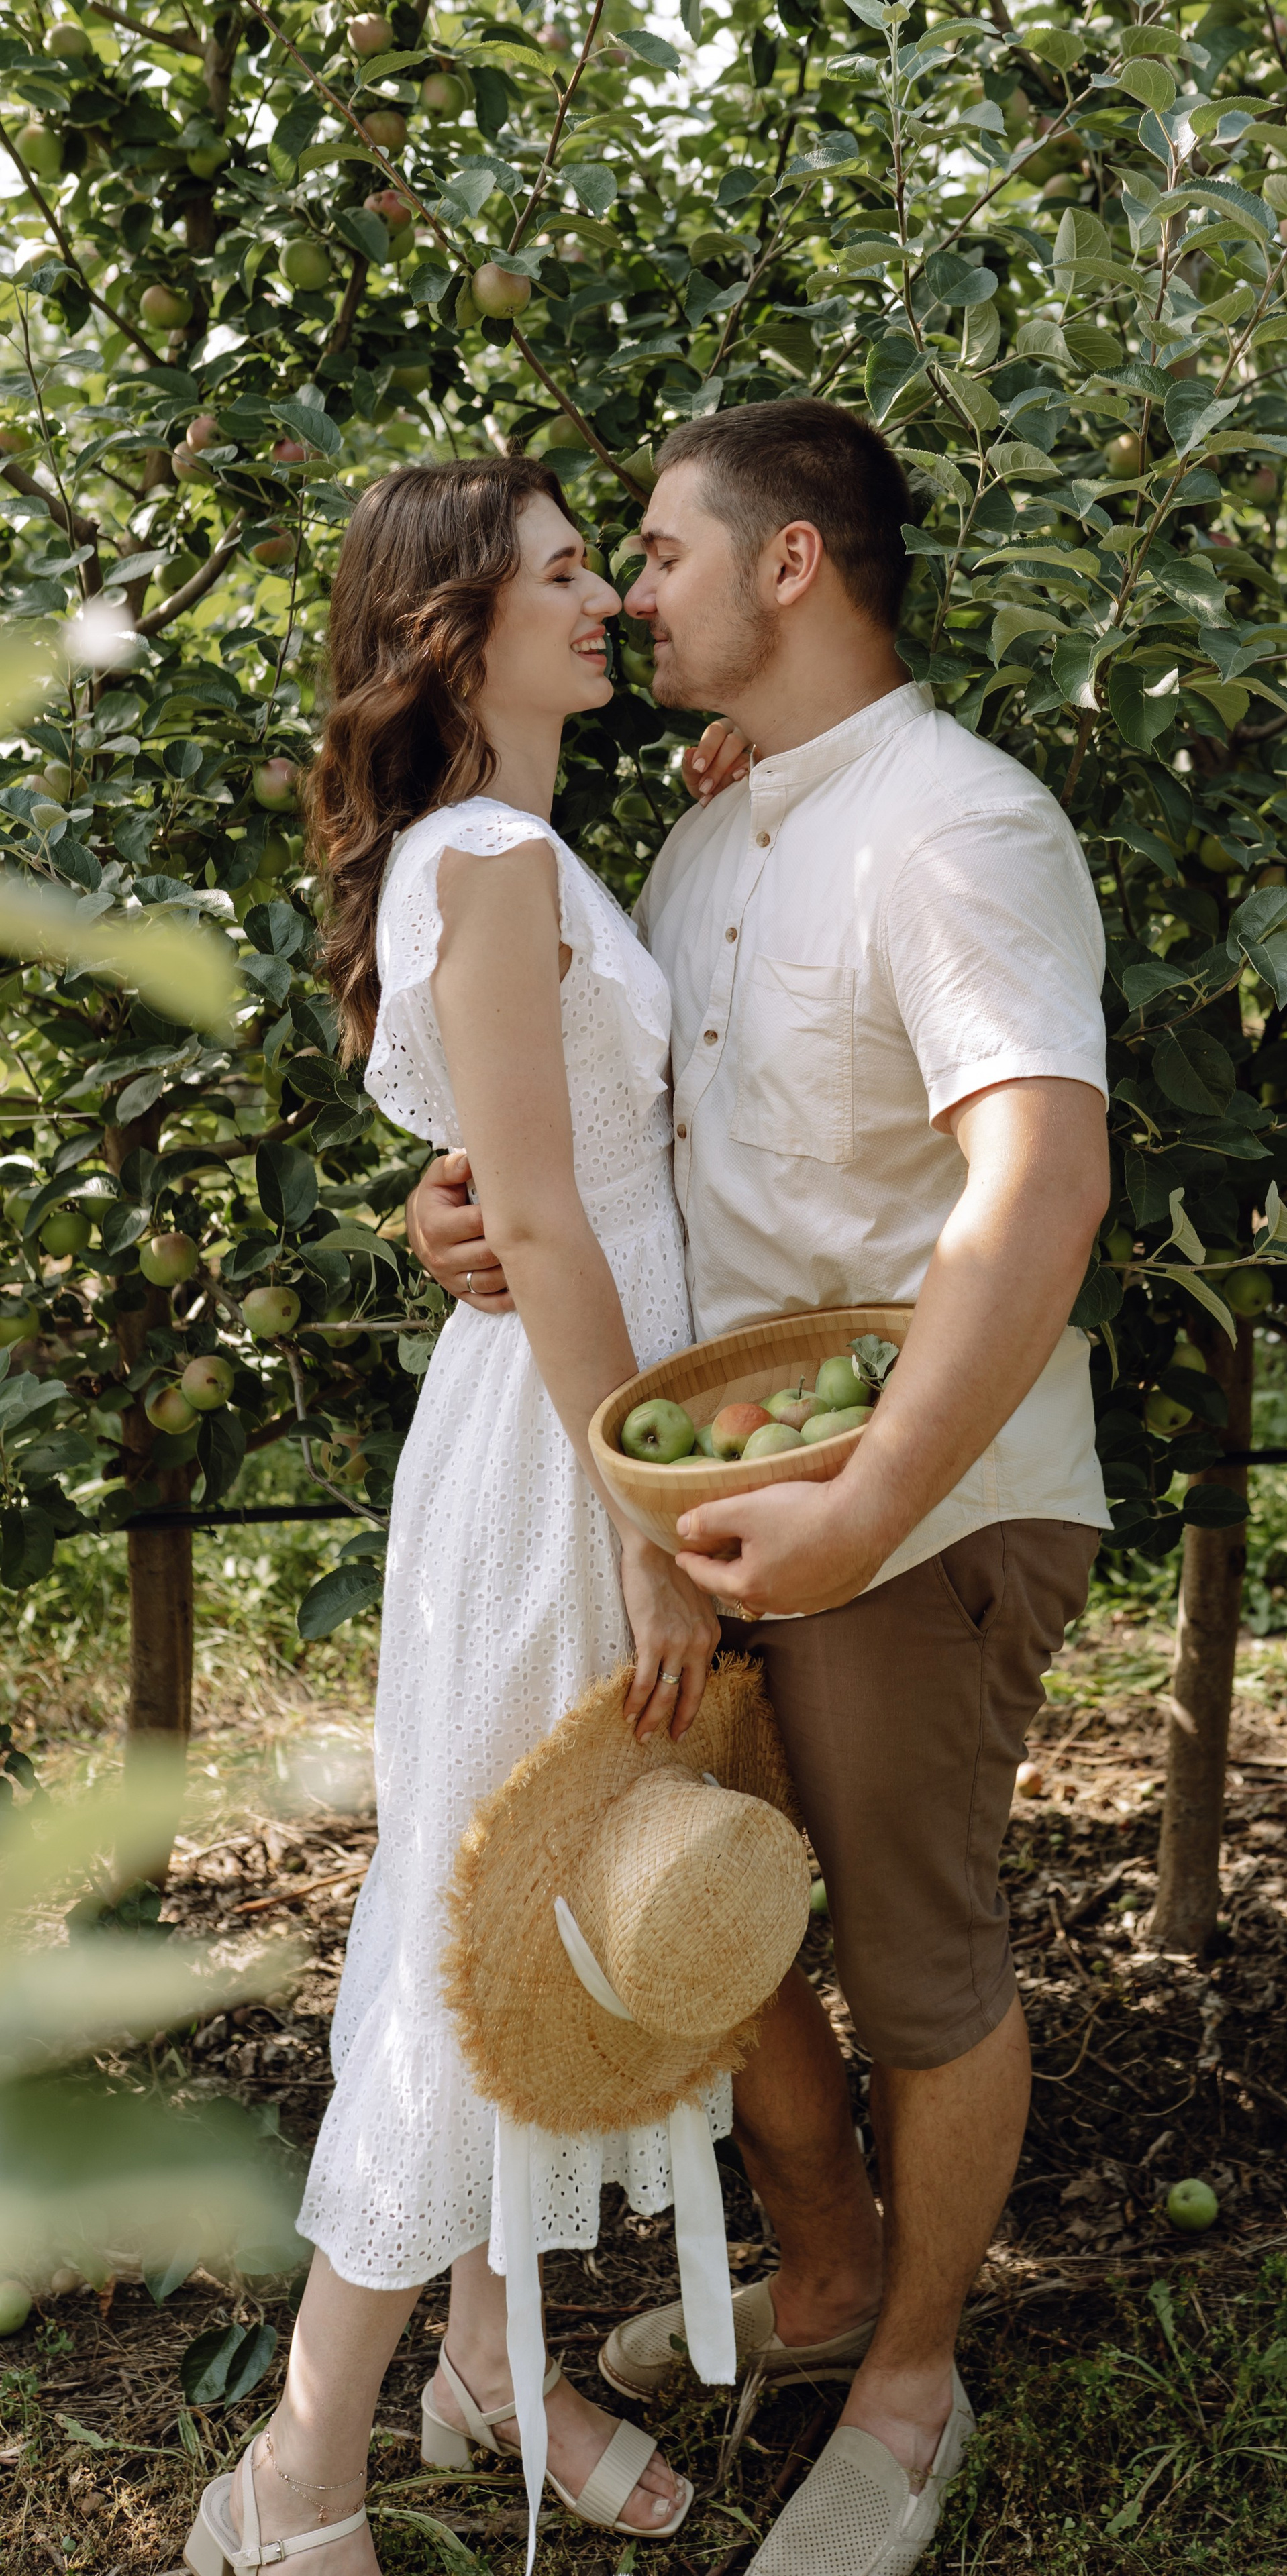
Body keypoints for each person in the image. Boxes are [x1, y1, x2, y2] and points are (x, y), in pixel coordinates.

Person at [408, 398, 1114, 2576]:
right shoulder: (713, 826)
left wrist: (869, 1499)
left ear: (790, 565)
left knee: (917, 1965)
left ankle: (911, 2389)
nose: (630, 587)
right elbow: (599, 1140)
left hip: (925, 1495)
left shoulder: (962, 830)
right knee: (703, 1904)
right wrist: (463, 1216)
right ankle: (817, 2279)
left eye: (661, 549)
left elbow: (1042, 1177)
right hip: (718, 1487)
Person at [184, 454, 757, 2576]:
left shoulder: (515, 849)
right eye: (565, 573)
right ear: (462, 628)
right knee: (477, 1931)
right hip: (560, 1443)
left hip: (569, 1407)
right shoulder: (491, 856)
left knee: (558, 1914)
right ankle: (296, 2472)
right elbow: (533, 1204)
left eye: (607, 564)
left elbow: (533, 1170)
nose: (605, 594)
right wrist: (637, 1511)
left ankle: (494, 2370)